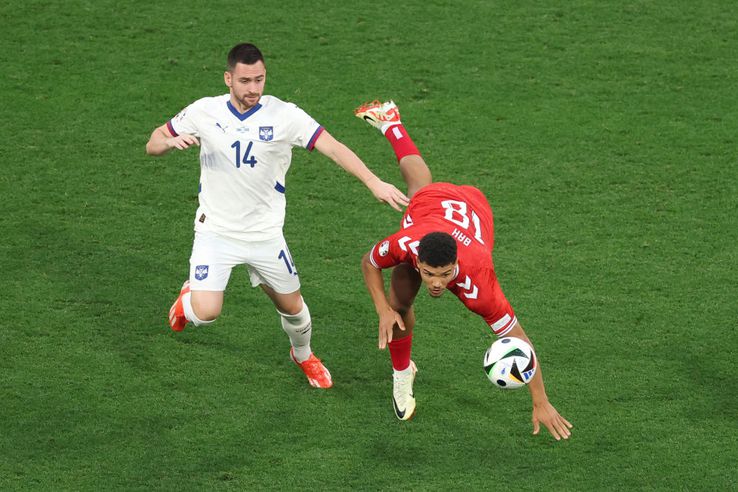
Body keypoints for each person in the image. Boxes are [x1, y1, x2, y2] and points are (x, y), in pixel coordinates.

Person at [145, 44, 409, 389]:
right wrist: (168, 142)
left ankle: (303, 355)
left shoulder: (285, 116)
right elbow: (154, 141)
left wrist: (373, 181)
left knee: (295, 310)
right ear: (228, 79)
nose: (253, 88)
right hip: (216, 233)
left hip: (265, 236)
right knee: (205, 313)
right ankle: (188, 298)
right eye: (244, 81)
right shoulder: (203, 111)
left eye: (259, 79)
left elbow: (333, 147)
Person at [356, 100, 573, 440]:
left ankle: (392, 123)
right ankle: (391, 122)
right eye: (429, 273)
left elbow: (518, 339)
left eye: (444, 274)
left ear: (456, 264)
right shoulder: (406, 243)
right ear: (418, 260)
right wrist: (381, 308)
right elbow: (369, 262)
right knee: (399, 301)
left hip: (474, 207)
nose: (437, 283)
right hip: (434, 205)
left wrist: (540, 400)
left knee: (418, 197)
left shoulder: (480, 283)